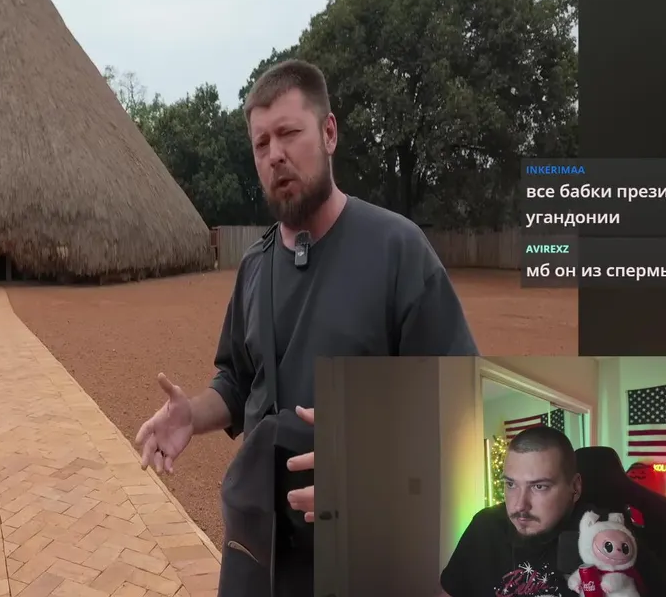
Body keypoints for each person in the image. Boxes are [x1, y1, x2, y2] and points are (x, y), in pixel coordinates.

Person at [134, 59, 479, 597]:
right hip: (257, 550)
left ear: (329, 133)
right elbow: (238, 380)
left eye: (289, 133)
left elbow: (462, 401)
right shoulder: (254, 266)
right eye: (261, 143)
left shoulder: (398, 250)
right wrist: (191, 416)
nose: (275, 154)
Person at [437, 426, 666, 597]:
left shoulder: (608, 535)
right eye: (511, 484)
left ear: (575, 487)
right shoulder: (485, 526)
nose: (519, 505)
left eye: (539, 487)